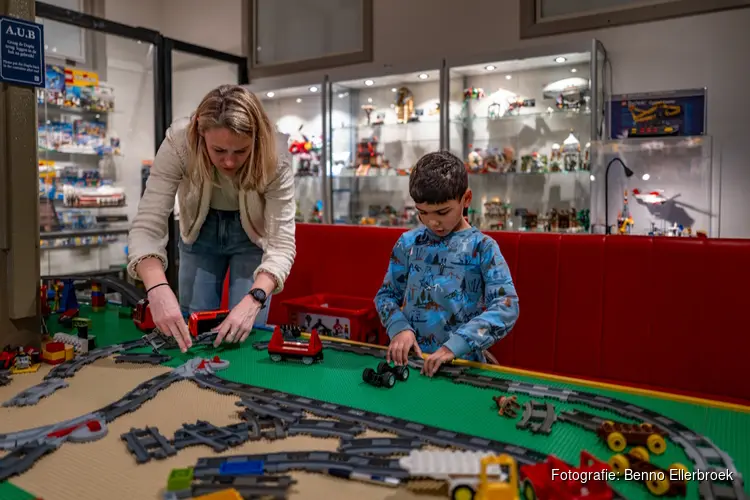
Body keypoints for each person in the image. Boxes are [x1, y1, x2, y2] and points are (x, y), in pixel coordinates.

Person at [128, 84, 296, 353]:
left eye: (240, 152)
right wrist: (157, 288)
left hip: (252, 236)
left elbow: (282, 245)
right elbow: (147, 225)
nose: (229, 162)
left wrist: (255, 299)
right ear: (199, 133)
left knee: (244, 330)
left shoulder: (275, 155)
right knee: (190, 327)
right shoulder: (178, 143)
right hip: (198, 231)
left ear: (255, 140)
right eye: (218, 151)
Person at [374, 150, 519, 377]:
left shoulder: (482, 247)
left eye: (443, 212)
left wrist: (458, 343)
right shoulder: (408, 243)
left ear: (466, 199)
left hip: (463, 366)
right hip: (412, 364)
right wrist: (399, 328)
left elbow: (507, 306)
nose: (432, 222)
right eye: (422, 213)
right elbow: (386, 296)